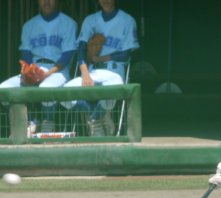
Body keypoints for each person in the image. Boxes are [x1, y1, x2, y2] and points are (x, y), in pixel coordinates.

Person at [61, 0, 139, 137]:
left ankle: (95, 120)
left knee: (111, 92)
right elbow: (81, 48)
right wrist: (85, 73)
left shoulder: (127, 20)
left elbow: (125, 54)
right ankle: (97, 115)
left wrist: (100, 58)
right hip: (92, 71)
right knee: (63, 95)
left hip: (114, 71)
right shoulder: (91, 20)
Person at [0, 0, 77, 134]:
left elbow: (67, 55)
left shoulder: (69, 23)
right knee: (4, 89)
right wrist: (28, 72)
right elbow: (26, 53)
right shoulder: (29, 25)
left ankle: (48, 122)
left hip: (57, 71)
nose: (46, 2)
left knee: (45, 88)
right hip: (35, 67)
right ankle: (28, 121)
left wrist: (47, 74)